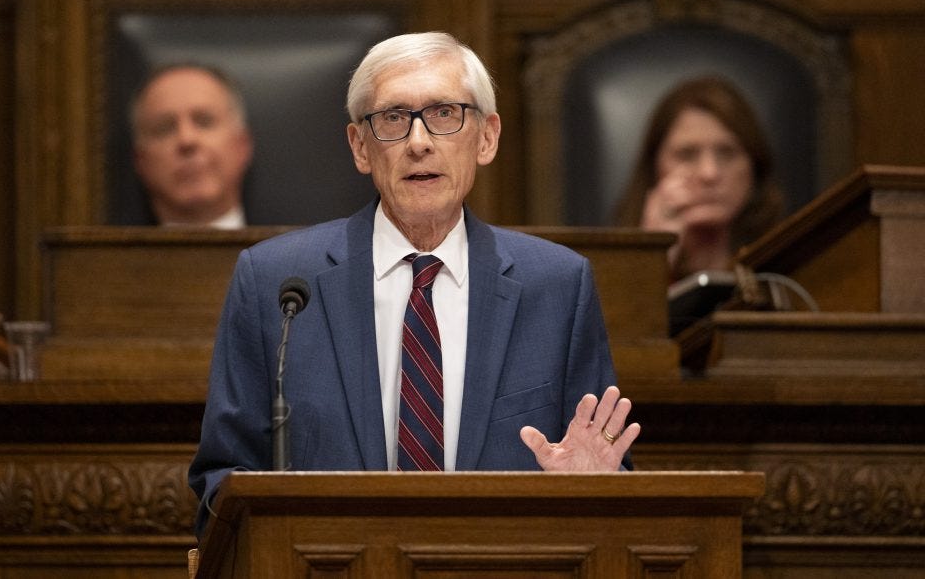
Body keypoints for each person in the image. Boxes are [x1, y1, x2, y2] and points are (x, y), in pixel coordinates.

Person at [188, 31, 639, 538]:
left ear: (486, 137)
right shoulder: (277, 284)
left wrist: (589, 494)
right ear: (361, 147)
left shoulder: (557, 286)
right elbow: (221, 480)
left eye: (445, 114)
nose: (419, 142)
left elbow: (603, 471)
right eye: (393, 119)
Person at [614, 76, 785, 283]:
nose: (709, 173)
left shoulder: (789, 267)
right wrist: (654, 255)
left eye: (727, 153)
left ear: (755, 167)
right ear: (654, 168)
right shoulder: (605, 271)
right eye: (687, 154)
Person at [130, 63, 254, 228]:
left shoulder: (292, 252)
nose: (186, 140)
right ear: (141, 161)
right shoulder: (103, 254)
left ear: (242, 146)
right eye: (164, 128)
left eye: (204, 121)